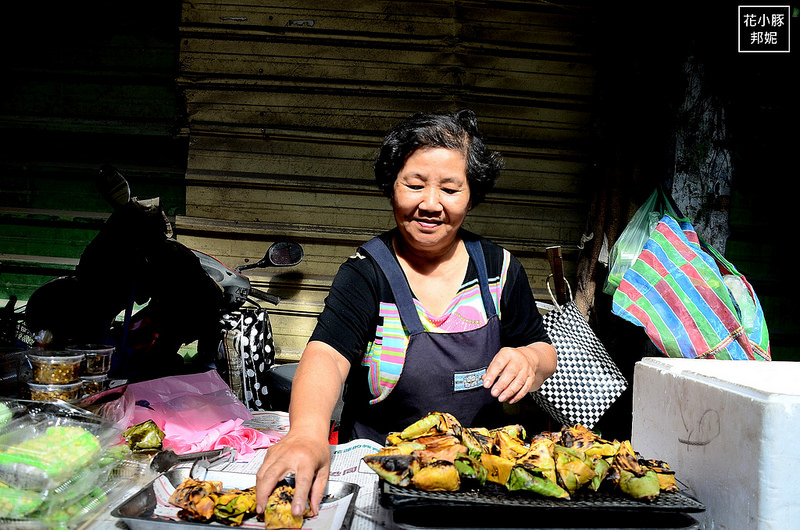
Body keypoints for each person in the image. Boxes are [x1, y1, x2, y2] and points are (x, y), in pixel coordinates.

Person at [255, 109, 557, 517]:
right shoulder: (366, 271)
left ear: (472, 194)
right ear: (391, 187)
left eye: (450, 189)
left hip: (481, 474)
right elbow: (328, 352)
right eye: (414, 185)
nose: (430, 204)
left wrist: (530, 359)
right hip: (382, 473)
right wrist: (307, 433)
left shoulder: (500, 269)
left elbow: (540, 347)